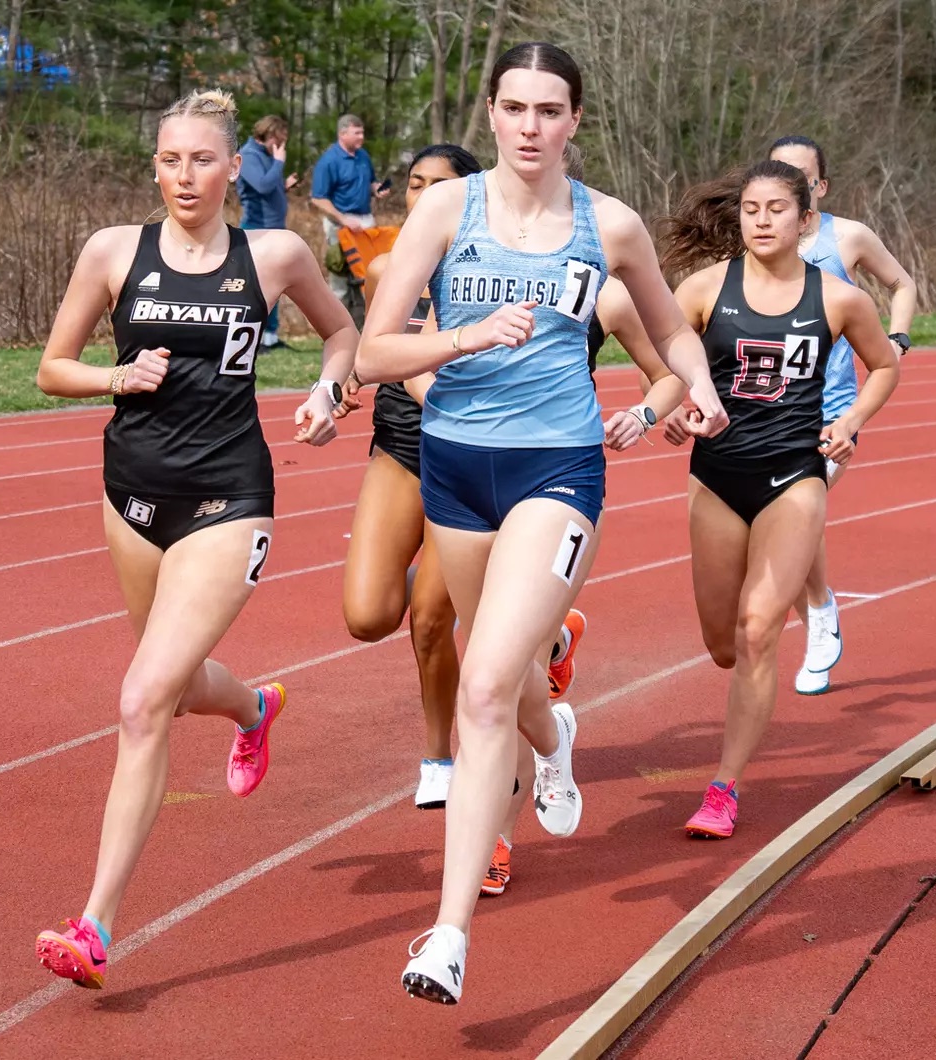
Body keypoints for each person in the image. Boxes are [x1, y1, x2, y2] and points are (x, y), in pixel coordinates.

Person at [358, 41, 728, 1005]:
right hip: (454, 469)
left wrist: (696, 386)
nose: (531, 127)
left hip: (556, 468)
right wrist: (464, 336)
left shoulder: (609, 224)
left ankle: (447, 936)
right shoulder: (447, 210)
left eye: (549, 110)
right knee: (507, 676)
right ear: (491, 113)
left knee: (482, 686)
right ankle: (555, 735)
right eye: (515, 108)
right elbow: (371, 353)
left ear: (575, 121)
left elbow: (670, 329)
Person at [28, 89, 358, 990]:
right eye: (171, 160)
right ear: (155, 167)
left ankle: (94, 925)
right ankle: (254, 709)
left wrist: (328, 393)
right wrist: (115, 376)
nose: (185, 176)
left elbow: (342, 333)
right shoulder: (113, 251)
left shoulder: (274, 254)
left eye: (203, 160)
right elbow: (52, 368)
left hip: (230, 495)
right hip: (132, 495)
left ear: (233, 168)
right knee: (169, 695)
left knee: (141, 699)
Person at [341, 143, 597, 903]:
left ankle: (468, 797)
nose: (424, 198)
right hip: (415, 445)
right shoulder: (390, 268)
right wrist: (331, 389)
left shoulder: (563, 259)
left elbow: (651, 345)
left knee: (465, 646)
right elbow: (363, 353)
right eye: (414, 185)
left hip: (517, 455)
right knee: (371, 615)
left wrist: (658, 405)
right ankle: (546, 667)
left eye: (440, 187)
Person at [657, 159, 899, 840]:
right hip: (716, 475)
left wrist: (850, 422)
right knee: (722, 644)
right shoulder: (704, 288)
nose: (762, 221)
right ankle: (742, 689)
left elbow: (884, 365)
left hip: (795, 475)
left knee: (759, 630)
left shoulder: (840, 299)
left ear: (805, 219)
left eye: (776, 209)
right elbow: (671, 362)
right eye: (751, 210)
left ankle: (723, 788)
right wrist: (672, 408)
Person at [760, 135, 917, 695]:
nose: (788, 186)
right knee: (776, 523)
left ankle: (820, 616)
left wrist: (897, 338)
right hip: (763, 412)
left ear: (820, 187)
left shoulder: (847, 237)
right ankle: (817, 607)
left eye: (800, 179)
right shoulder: (755, 235)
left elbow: (901, 283)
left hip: (829, 412)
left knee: (790, 511)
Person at [311, 114, 390, 304]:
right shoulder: (329, 161)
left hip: (365, 221)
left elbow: (371, 182)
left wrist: (377, 190)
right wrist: (343, 219)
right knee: (340, 275)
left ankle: (366, 316)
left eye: (362, 133)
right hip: (340, 224)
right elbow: (318, 198)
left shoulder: (363, 156)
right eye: (357, 133)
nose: (362, 137)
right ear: (343, 134)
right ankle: (337, 319)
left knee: (369, 273)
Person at [238, 114, 301, 348]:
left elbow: (269, 186)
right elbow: (262, 186)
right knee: (258, 285)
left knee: (274, 282)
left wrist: (284, 186)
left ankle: (271, 336)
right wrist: (279, 163)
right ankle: (254, 337)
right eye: (279, 139)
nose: (281, 145)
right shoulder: (248, 156)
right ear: (268, 134)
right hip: (257, 228)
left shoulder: (266, 156)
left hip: (274, 228)